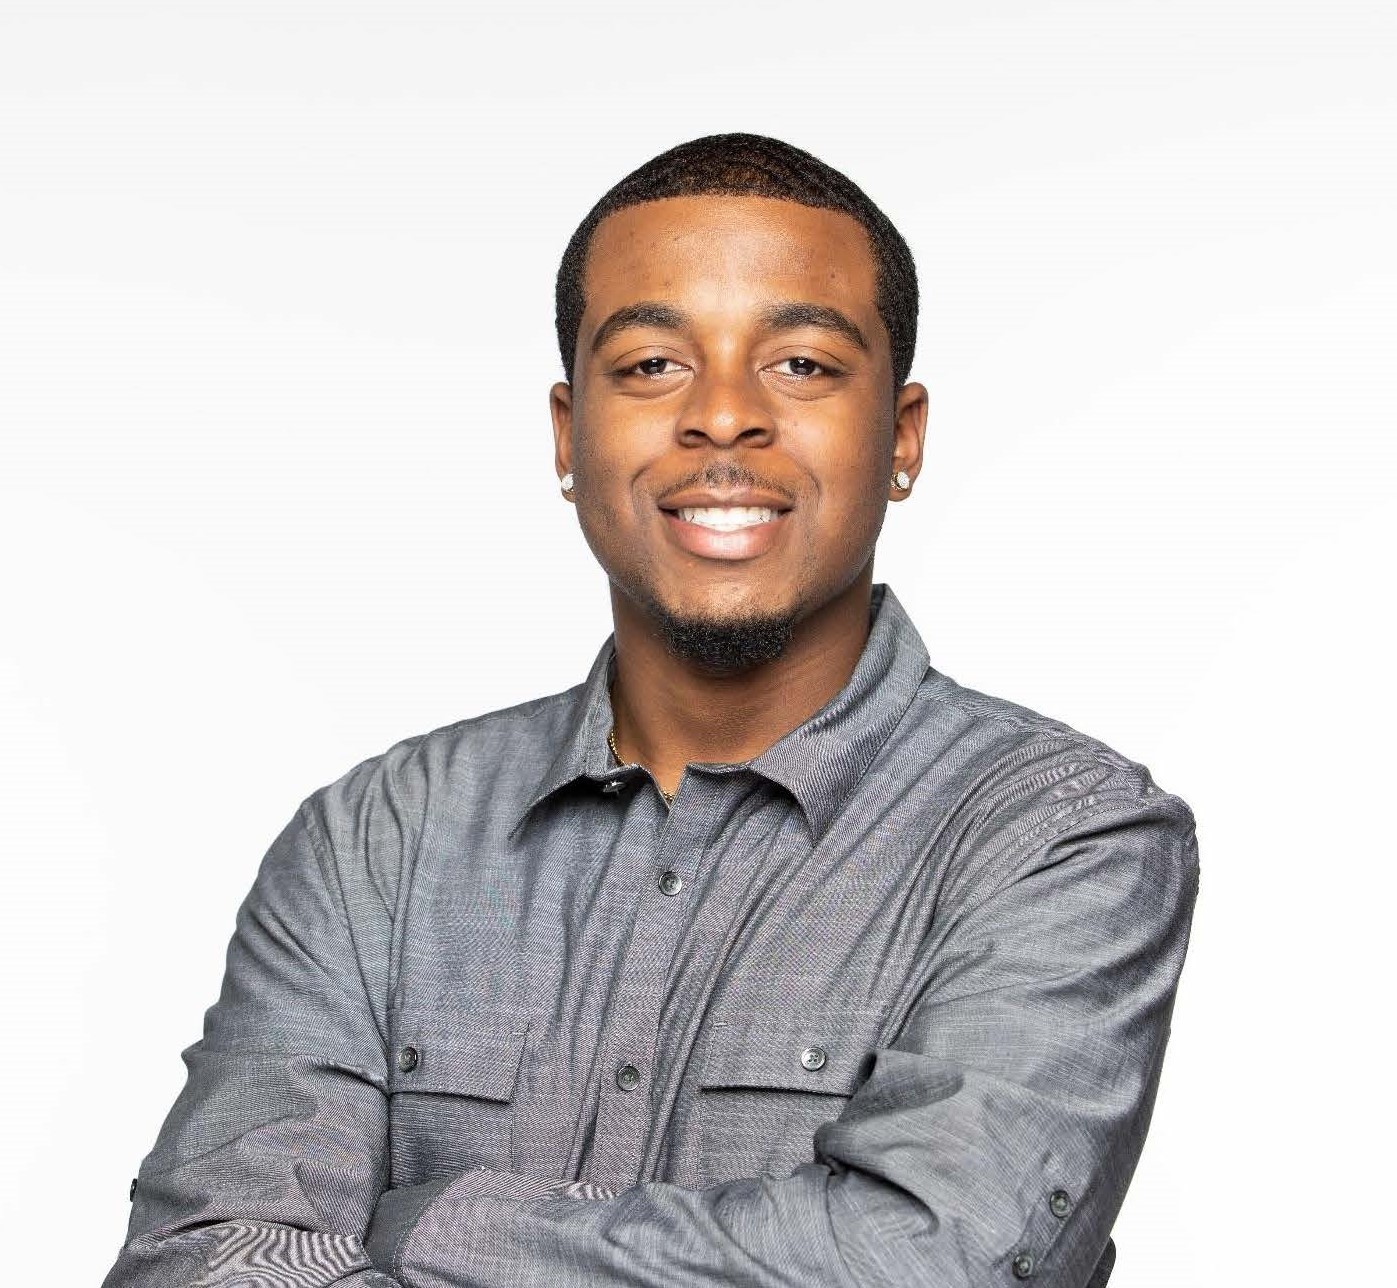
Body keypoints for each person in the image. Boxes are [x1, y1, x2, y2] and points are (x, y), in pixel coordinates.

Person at [103, 133, 1198, 1288]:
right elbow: (204, 1263)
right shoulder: (375, 839)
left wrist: (431, 1224)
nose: (722, 419)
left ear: (903, 438)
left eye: (803, 366)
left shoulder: (1061, 836)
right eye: (651, 367)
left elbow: (930, 1264)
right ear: (568, 436)